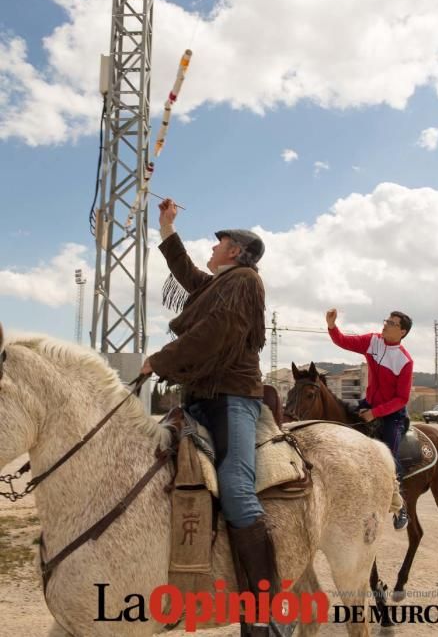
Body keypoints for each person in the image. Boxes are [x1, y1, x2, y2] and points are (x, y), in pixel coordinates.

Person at [141, 198, 282, 637]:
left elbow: (214, 331)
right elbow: (188, 274)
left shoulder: (243, 282)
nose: (212, 248)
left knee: (238, 491)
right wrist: (166, 229)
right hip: (200, 396)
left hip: (232, 399)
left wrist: (160, 361)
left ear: (235, 251)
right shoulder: (221, 282)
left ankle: (266, 609)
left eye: (218, 243)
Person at [325, 308, 413, 531]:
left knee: (389, 459)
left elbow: (402, 398)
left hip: (392, 415)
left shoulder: (405, 360)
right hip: (368, 405)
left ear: (402, 332)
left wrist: (376, 413)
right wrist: (332, 326)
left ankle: (401, 507)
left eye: (391, 323)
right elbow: (343, 341)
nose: (385, 325)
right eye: (386, 321)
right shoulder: (373, 341)